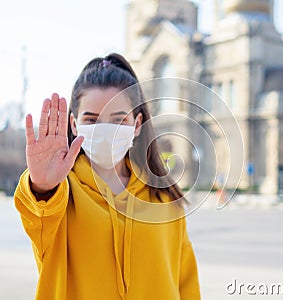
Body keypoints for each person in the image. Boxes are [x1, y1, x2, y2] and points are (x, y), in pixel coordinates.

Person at [14, 53, 201, 300]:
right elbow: (38, 212)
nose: (106, 130)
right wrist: (42, 186)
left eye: (119, 120)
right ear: (73, 124)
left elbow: (186, 285)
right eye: (91, 119)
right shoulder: (58, 194)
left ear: (137, 124)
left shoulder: (164, 197)